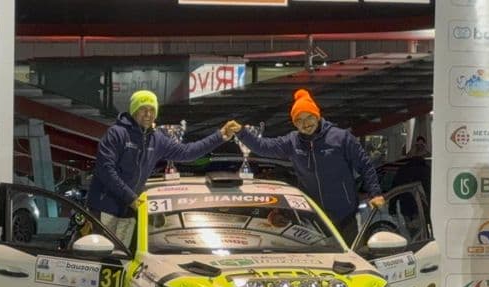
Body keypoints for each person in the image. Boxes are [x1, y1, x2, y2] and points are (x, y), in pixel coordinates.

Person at [86, 90, 241, 247]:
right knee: (101, 255)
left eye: (152, 109)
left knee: (120, 257)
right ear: (133, 111)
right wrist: (130, 198)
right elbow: (105, 170)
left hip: (128, 210)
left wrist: (220, 136)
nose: (148, 114)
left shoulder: (156, 139)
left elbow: (187, 153)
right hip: (104, 207)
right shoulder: (117, 133)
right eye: (143, 109)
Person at [235, 88, 384, 245]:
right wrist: (241, 133)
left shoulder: (341, 138)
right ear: (294, 123)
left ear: (317, 116)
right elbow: (264, 146)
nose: (305, 124)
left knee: (347, 262)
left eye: (308, 118)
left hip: (344, 217)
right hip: (312, 219)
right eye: (299, 120)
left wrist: (375, 194)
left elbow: (365, 165)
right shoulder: (292, 142)